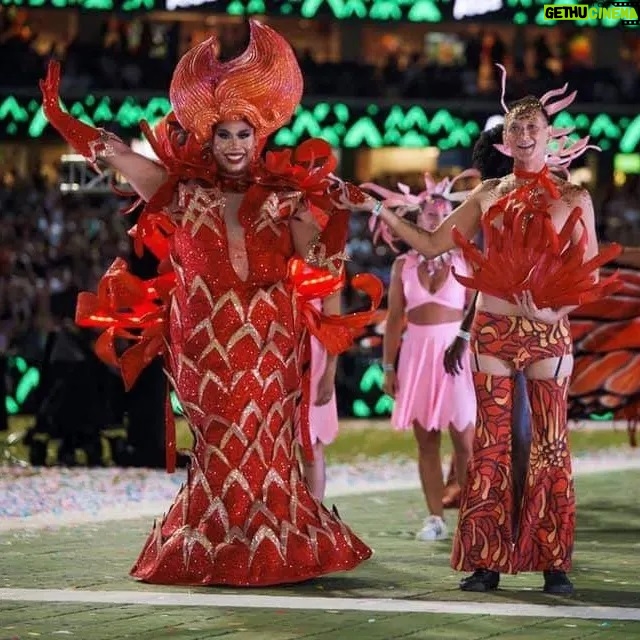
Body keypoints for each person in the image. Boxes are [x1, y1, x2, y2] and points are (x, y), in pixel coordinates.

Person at [40, 20, 378, 587]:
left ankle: (276, 544)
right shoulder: (179, 192)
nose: (235, 145)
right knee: (221, 439)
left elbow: (315, 259)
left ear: (260, 136)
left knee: (267, 441)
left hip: (272, 339)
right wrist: (60, 115)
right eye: (224, 135)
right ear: (208, 138)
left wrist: (335, 213)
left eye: (244, 134)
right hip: (201, 345)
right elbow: (115, 152)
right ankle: (216, 546)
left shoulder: (285, 197)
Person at [334, 70, 621, 594]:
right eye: (516, 128)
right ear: (506, 141)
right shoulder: (488, 194)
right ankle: (486, 562)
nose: (525, 135)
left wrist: (555, 313)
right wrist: (375, 207)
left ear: (548, 133)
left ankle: (552, 563)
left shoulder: (575, 198)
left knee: (549, 445)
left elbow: (591, 278)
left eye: (533, 125)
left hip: (546, 332)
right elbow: (430, 244)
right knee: (490, 444)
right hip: (492, 329)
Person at [361, 174, 477, 541]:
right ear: (416, 216)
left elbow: (478, 307)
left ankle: (477, 516)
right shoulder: (403, 265)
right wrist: (389, 366)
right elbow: (395, 319)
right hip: (417, 353)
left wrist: (465, 341)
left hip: (455, 353)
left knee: (465, 441)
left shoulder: (465, 259)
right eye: (429, 209)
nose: (436, 213)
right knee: (426, 440)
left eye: (443, 208)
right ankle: (435, 518)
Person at [443, 123, 532, 517]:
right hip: (515, 321)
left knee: (514, 428)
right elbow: (487, 277)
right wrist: (463, 332)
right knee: (509, 427)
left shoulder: (514, 199)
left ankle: (514, 512)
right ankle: (511, 511)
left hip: (529, 323)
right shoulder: (500, 199)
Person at [303, 289, 341, 501]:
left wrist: (329, 372)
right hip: (281, 355)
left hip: (315, 359)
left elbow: (334, 325)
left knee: (312, 443)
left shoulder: (327, 268)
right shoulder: (280, 260)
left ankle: (314, 512)